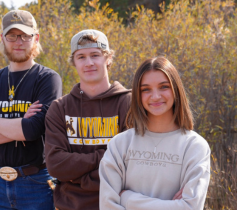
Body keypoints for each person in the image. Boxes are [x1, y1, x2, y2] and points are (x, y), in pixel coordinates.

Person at [0, 10, 62, 210]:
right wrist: (19, 126)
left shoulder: (47, 79)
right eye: (12, 36)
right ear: (2, 38)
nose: (19, 41)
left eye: (26, 35)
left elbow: (33, 130)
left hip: (36, 183)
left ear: (36, 38)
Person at [99, 57, 210, 210]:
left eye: (163, 87)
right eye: (146, 89)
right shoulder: (120, 144)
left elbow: (190, 207)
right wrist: (172, 206)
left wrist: (128, 199)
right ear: (138, 95)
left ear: (176, 89)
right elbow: (108, 205)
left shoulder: (194, 146)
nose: (156, 96)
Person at [44, 29, 131, 210]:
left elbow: (133, 163)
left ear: (108, 59)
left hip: (119, 204)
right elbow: (56, 165)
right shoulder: (60, 108)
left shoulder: (128, 103)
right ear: (74, 63)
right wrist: (106, 156)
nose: (89, 63)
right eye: (81, 57)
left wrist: (77, 175)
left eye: (95, 55)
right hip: (70, 205)